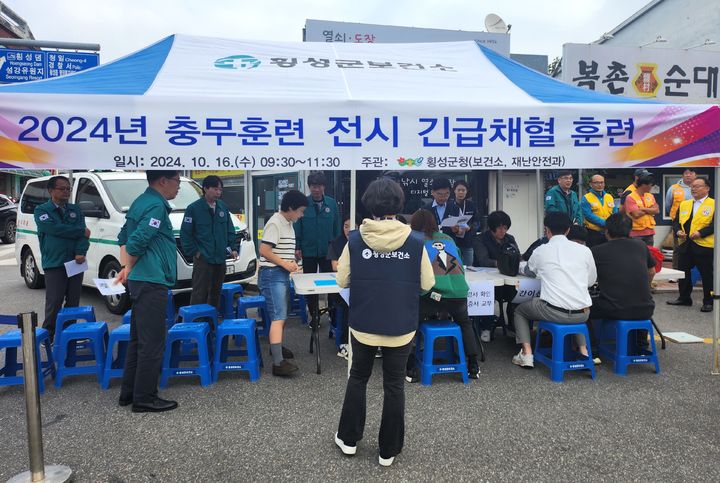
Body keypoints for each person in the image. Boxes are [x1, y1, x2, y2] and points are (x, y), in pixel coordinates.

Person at [335, 178, 434, 467]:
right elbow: (427, 283)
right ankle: (388, 450)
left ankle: (349, 439)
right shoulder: (416, 241)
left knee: (358, 378)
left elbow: (341, 279)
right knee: (394, 385)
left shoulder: (354, 239)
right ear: (398, 204)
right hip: (401, 326)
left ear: (369, 204)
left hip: (363, 324)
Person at [115, 170, 181, 413]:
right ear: (163, 181)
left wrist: (126, 267)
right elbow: (136, 241)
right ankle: (145, 398)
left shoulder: (140, 202)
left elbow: (122, 236)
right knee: (152, 342)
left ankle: (129, 393)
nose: (179, 187)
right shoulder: (155, 206)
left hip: (142, 280)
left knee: (138, 340)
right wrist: (128, 267)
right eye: (177, 181)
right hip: (151, 280)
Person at [511, 212, 597, 368]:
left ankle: (527, 353)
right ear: (568, 230)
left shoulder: (541, 250)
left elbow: (529, 271)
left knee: (520, 311)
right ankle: (584, 353)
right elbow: (590, 281)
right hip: (583, 314)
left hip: (553, 311)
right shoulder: (585, 251)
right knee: (574, 302)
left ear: (546, 230)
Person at [408, 209, 480, 380]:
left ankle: (410, 367)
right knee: (465, 323)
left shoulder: (415, 240)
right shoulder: (448, 239)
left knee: (410, 321)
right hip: (459, 295)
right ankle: (473, 365)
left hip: (433, 295)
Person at [34, 175, 90, 341]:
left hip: (75, 261)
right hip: (55, 262)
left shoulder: (76, 210)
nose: (66, 191)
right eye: (62, 188)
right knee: (54, 301)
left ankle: (68, 335)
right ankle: (48, 336)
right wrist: (80, 231)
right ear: (51, 191)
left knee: (73, 302)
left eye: (68, 189)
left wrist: (81, 251)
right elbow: (54, 229)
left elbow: (84, 236)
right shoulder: (42, 210)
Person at [259, 190, 308, 376]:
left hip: (280, 273)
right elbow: (264, 250)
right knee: (279, 316)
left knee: (282, 314)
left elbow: (280, 251)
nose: (301, 215)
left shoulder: (288, 222)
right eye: (300, 211)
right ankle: (278, 362)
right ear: (290, 208)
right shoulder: (275, 222)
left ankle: (276, 347)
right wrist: (285, 264)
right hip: (272, 274)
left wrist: (290, 262)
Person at [180, 175, 238, 312]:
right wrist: (195, 252)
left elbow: (230, 229)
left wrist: (233, 248)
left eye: (220, 189)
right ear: (205, 189)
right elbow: (185, 234)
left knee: (216, 292)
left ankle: (211, 321)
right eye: (215, 189)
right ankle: (196, 322)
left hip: (220, 258)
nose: (219, 192)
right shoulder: (193, 208)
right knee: (200, 292)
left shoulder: (223, 207)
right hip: (203, 259)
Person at [590, 213, 656, 321]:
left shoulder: (597, 251)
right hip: (646, 308)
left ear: (607, 232)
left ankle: (593, 338)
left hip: (615, 309)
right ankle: (640, 338)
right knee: (636, 313)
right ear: (630, 231)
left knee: (584, 307)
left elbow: (589, 278)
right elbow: (652, 271)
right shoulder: (641, 245)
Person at [294, 172, 341, 318]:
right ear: (309, 187)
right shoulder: (303, 204)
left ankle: (333, 315)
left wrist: (338, 248)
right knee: (310, 287)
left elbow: (337, 227)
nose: (316, 189)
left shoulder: (332, 203)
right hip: (308, 251)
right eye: (313, 186)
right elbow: (298, 226)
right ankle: (314, 316)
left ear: (324, 187)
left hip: (329, 251)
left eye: (319, 186)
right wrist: (297, 246)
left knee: (332, 285)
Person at [667, 177, 715, 312]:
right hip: (685, 243)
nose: (694, 189)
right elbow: (675, 221)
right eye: (692, 186)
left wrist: (701, 232)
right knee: (683, 272)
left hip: (704, 245)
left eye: (698, 186)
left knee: (707, 274)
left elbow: (715, 224)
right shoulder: (684, 204)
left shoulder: (714, 204)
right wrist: (677, 231)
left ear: (707, 188)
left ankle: (708, 301)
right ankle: (684, 298)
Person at [473, 210, 519, 342]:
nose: (502, 231)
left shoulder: (510, 239)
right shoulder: (480, 239)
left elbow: (517, 255)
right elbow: (483, 260)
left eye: (505, 227)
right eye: (499, 227)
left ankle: (512, 326)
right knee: (487, 293)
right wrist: (502, 263)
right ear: (492, 227)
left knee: (516, 292)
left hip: (506, 279)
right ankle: (486, 327)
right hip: (485, 279)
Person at [327, 217, 351, 359]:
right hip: (342, 287)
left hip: (360, 284)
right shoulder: (337, 243)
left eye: (352, 226)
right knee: (348, 304)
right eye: (345, 226)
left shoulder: (367, 242)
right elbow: (335, 266)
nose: (348, 230)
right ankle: (344, 343)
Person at [666, 168, 697, 270]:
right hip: (678, 224)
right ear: (682, 175)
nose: (688, 175)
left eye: (691, 173)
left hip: (697, 223)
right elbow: (668, 206)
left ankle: (694, 273)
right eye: (686, 173)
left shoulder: (699, 188)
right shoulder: (673, 188)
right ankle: (676, 271)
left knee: (696, 247)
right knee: (678, 248)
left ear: (695, 175)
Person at [581, 174, 618, 247]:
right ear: (591, 184)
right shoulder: (586, 198)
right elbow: (588, 215)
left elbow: (615, 211)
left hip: (609, 232)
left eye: (602, 182)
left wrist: (613, 223)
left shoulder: (609, 196)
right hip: (594, 233)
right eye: (596, 183)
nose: (600, 185)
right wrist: (606, 223)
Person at [625, 175, 659, 246]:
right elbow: (636, 214)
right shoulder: (630, 197)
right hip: (636, 233)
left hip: (650, 232)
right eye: (650, 185)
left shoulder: (650, 196)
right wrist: (650, 208)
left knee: (649, 254)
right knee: (637, 255)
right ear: (644, 185)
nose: (651, 187)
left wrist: (643, 208)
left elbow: (657, 210)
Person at [452, 180, 478, 265]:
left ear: (466, 191)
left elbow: (477, 222)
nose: (461, 192)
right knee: (454, 268)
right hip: (453, 243)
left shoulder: (472, 205)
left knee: (469, 268)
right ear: (454, 190)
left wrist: (470, 227)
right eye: (458, 190)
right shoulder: (449, 205)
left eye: (463, 190)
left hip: (468, 243)